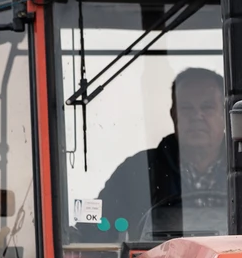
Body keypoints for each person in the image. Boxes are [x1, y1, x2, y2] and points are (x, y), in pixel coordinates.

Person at [96, 67, 228, 238]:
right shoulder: (135, 172)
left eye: (207, 107)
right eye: (186, 108)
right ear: (173, 115)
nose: (197, 115)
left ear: (225, 115)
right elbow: (97, 228)